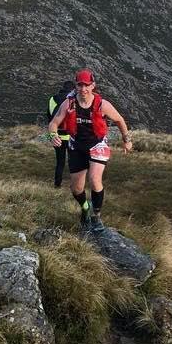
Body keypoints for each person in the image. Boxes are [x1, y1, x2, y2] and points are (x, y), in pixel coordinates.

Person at [47, 69, 132, 232]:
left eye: (87, 85)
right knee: (76, 188)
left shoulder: (102, 104)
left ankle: (96, 216)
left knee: (94, 179)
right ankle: (85, 207)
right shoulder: (69, 103)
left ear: (93, 85)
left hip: (97, 144)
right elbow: (54, 122)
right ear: (76, 85)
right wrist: (52, 135)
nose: (83, 89)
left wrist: (127, 140)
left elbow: (120, 120)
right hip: (76, 145)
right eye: (80, 85)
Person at [46, 80, 75, 188]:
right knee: (73, 161)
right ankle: (75, 185)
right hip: (71, 135)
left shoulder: (52, 99)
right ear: (72, 89)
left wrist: (52, 133)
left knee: (60, 161)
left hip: (56, 135)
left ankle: (57, 184)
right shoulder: (72, 100)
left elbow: (49, 116)